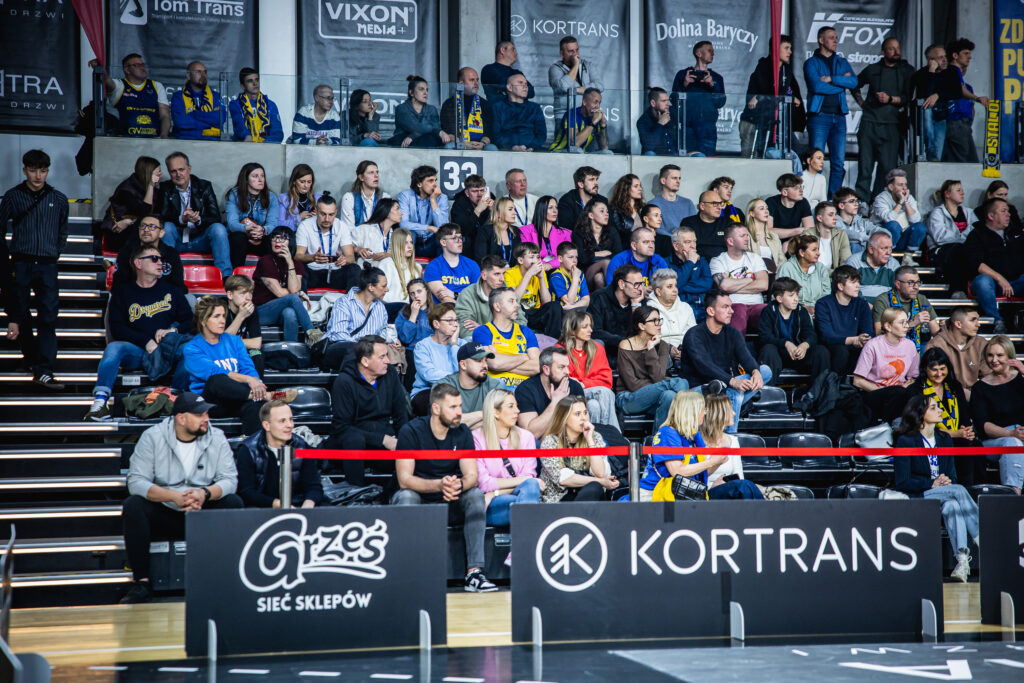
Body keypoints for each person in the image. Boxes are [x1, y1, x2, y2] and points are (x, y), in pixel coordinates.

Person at [120, 392, 243, 603]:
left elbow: (229, 480)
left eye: (207, 414)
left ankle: (227, 579)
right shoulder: (153, 437)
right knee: (133, 506)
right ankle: (142, 582)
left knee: (234, 503)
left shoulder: (217, 437)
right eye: (200, 415)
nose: (206, 419)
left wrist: (204, 494)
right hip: (166, 510)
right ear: (181, 418)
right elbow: (136, 482)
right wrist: (173, 496)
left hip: (201, 510)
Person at [393, 383, 496, 593]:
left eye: (460, 406)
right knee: (406, 497)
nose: (459, 412)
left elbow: (472, 476)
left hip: (451, 497)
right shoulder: (411, 431)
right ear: (436, 408)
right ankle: (408, 571)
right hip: (422, 497)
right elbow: (404, 479)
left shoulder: (462, 432)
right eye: (453, 407)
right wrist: (439, 485)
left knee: (475, 495)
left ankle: (474, 573)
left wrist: (457, 485)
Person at [86, 245, 192, 420]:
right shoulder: (122, 292)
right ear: (138, 263)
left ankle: (174, 399)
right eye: (154, 259)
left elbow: (189, 320)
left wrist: (172, 330)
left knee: (190, 351)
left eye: (161, 259)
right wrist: (145, 341)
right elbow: (117, 328)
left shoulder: (172, 290)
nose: (160, 263)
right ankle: (101, 402)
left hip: (168, 350)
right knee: (113, 348)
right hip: (138, 351)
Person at [893, 394, 979, 582]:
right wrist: (931, 483)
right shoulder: (905, 441)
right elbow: (902, 482)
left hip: (945, 495)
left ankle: (962, 562)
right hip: (918, 495)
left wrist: (946, 481)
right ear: (920, 413)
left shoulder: (944, 438)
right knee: (958, 490)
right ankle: (981, 535)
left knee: (953, 506)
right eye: (933, 407)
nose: (939, 410)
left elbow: (952, 475)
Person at [0, 149, 68, 389]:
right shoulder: (13, 196)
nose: (38, 176)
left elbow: (62, 231)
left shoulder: (59, 199)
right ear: (24, 170)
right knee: (21, 314)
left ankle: (44, 369)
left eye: (43, 171)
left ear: (48, 171)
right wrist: (6, 259)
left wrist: (53, 253)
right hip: (20, 261)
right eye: (33, 170)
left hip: (47, 263)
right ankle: (32, 361)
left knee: (48, 317)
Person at [184, 297, 288, 435]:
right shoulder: (192, 348)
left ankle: (251, 444)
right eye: (216, 316)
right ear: (203, 321)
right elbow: (214, 372)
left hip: (237, 397)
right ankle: (266, 396)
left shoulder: (234, 341)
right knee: (216, 378)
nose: (222, 321)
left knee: (255, 404)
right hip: (210, 402)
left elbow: (248, 368)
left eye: (223, 316)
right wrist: (248, 380)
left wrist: (256, 382)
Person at [680, 291, 773, 433]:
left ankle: (731, 397)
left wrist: (755, 372)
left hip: (725, 386)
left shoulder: (732, 333)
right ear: (711, 311)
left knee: (765, 371)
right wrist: (732, 381)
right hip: (699, 390)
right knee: (734, 391)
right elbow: (705, 366)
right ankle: (730, 438)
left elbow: (746, 358)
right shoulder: (694, 335)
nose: (731, 311)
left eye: (731, 307)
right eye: (725, 307)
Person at [326, 335, 410, 486]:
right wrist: (382, 439)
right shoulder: (344, 381)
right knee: (354, 439)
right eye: (382, 357)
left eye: (387, 355)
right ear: (365, 361)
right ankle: (356, 492)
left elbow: (400, 414)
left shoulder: (390, 373)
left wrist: (404, 442)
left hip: (381, 442)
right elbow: (342, 427)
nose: (388, 361)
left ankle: (394, 495)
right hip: (351, 444)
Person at [852, 39, 914, 202]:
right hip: (869, 122)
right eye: (891, 49)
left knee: (887, 168)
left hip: (892, 124)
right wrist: (862, 103)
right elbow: (854, 84)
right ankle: (861, 202)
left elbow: (907, 97)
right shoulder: (873, 69)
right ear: (883, 52)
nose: (896, 51)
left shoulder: (906, 71)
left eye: (898, 48)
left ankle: (878, 202)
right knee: (865, 166)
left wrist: (890, 99)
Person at [911, 347, 983, 487]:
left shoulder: (954, 386)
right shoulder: (916, 390)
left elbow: (964, 418)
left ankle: (972, 490)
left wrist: (966, 432)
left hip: (958, 436)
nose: (939, 374)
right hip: (929, 438)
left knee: (972, 445)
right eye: (934, 370)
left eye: (942, 369)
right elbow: (918, 425)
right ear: (925, 369)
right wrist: (955, 434)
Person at [472, 389, 542, 532]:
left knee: (529, 488)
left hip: (511, 496)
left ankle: (520, 543)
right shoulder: (476, 437)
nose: (517, 411)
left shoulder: (526, 437)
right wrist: (523, 481)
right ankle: (526, 542)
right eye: (511, 406)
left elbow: (529, 480)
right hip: (492, 505)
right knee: (525, 498)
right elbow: (484, 484)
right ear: (495, 412)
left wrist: (495, 493)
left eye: (516, 406)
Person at [234, 400, 323, 508]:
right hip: (260, 508)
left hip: (297, 506)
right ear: (266, 425)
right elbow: (246, 492)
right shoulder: (248, 449)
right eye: (282, 421)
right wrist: (278, 504)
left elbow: (314, 487)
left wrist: (308, 505)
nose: (290, 425)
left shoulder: (302, 446)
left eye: (291, 419)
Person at [516, 345, 616, 439]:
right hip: (540, 442)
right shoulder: (525, 390)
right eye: (561, 367)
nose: (567, 372)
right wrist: (555, 402)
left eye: (567, 367)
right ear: (546, 370)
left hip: (569, 439)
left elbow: (581, 424)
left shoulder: (574, 386)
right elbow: (530, 434)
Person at [803, 25, 857, 198]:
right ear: (821, 40)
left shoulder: (841, 62)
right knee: (815, 161)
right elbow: (816, 86)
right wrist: (841, 85)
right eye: (831, 37)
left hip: (839, 117)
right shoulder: (811, 63)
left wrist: (832, 79)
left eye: (836, 37)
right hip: (819, 117)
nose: (836, 40)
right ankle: (814, 199)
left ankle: (833, 202)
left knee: (838, 163)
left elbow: (854, 82)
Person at [157, 151, 230, 277]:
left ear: (189, 169)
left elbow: (215, 217)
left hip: (201, 240)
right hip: (177, 240)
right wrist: (182, 219)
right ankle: (166, 276)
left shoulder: (204, 186)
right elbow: (161, 218)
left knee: (218, 229)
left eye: (181, 169)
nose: (178, 174)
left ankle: (225, 278)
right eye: (173, 171)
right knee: (167, 227)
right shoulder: (165, 188)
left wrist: (198, 220)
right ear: (169, 172)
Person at [616, 305, 690, 427]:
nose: (659, 324)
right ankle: (687, 415)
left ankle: (658, 438)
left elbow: (658, 378)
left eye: (659, 320)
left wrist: (650, 349)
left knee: (669, 395)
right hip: (628, 399)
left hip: (655, 398)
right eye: (654, 321)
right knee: (679, 382)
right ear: (641, 326)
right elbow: (632, 384)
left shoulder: (663, 346)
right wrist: (659, 385)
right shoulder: (625, 345)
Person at [970, 336, 1024, 493]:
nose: (994, 360)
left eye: (1000, 355)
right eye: (990, 355)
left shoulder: (1021, 379)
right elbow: (983, 425)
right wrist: (1011, 434)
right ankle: (1013, 494)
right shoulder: (980, 387)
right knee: (1012, 443)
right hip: (995, 441)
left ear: (1009, 355)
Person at [539, 396, 617, 502]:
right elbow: (563, 479)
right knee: (595, 485)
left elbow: (600, 473)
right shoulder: (550, 441)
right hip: (559, 499)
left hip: (588, 494)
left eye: (585, 413)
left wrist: (590, 440)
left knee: (594, 488)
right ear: (564, 418)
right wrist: (600, 481)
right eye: (577, 414)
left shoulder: (595, 437)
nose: (584, 418)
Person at [739, 34, 804, 159]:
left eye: (790, 48)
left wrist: (793, 100)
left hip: (776, 122)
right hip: (754, 122)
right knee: (752, 158)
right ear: (775, 49)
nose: (790, 52)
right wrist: (759, 97)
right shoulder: (763, 67)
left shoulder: (787, 70)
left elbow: (788, 93)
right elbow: (768, 91)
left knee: (789, 152)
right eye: (786, 48)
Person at [252, 226, 320, 344]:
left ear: (290, 242)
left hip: (281, 312)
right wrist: (299, 293)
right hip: (261, 311)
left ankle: (290, 350)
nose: (277, 241)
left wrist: (290, 262)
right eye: (275, 237)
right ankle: (313, 334)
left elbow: (293, 289)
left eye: (283, 238)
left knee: (290, 313)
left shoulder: (297, 264)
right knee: (292, 298)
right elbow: (280, 293)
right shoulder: (265, 261)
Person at [965, 198, 1024, 334]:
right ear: (991, 216)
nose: (1008, 214)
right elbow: (977, 264)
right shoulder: (977, 235)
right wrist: (1000, 278)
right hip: (992, 283)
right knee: (983, 281)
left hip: (1016, 282)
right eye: (1003, 211)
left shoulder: (1016, 233)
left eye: (1008, 211)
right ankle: (997, 321)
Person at [852, 308, 919, 422]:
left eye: (906, 322)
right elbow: (857, 381)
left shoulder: (910, 345)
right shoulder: (872, 345)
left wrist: (908, 385)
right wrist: (885, 390)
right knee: (897, 392)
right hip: (874, 393)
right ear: (888, 326)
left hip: (900, 392)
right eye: (901, 322)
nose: (906, 326)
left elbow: (914, 377)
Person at [757, 277, 829, 382]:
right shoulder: (768, 311)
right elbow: (764, 337)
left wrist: (805, 345)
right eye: (791, 295)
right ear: (779, 299)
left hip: (798, 354)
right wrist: (786, 343)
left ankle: (818, 390)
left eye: (797, 295)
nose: (796, 299)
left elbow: (811, 335)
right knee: (768, 349)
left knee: (821, 351)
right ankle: (768, 389)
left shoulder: (801, 311)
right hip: (778, 355)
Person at [321, 265, 391, 370]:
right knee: (352, 350)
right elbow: (339, 334)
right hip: (340, 347)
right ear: (371, 287)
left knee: (387, 362)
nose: (387, 289)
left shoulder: (380, 307)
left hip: (368, 351)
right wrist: (364, 348)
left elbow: (382, 333)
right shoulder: (344, 303)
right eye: (383, 286)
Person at [559, 310, 617, 430]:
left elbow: (606, 380)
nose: (590, 330)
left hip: (594, 394)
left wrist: (583, 384)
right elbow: (564, 381)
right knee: (605, 393)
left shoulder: (597, 348)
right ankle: (614, 435)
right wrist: (579, 384)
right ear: (572, 330)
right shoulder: (560, 350)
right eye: (585, 327)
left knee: (594, 405)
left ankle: (596, 437)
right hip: (571, 395)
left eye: (590, 326)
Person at [471, 286, 539, 388]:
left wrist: (502, 362)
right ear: (497, 307)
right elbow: (493, 363)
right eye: (511, 301)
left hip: (525, 390)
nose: (517, 305)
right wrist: (524, 357)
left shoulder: (526, 332)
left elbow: (537, 367)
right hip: (497, 389)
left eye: (516, 301)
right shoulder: (483, 331)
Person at [937, 38, 991, 163]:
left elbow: (969, 104)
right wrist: (977, 98)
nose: (969, 57)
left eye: (969, 54)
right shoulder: (952, 70)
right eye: (966, 53)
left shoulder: (956, 73)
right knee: (963, 162)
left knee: (970, 161)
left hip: (962, 124)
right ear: (955, 56)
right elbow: (961, 90)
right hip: (956, 122)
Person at [700, 393, 764, 498]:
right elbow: (692, 479)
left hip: (730, 492)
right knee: (744, 486)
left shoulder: (733, 441)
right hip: (707, 493)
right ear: (719, 413)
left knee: (744, 486)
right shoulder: (697, 441)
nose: (734, 413)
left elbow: (739, 476)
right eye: (730, 410)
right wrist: (712, 486)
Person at [93, 53, 169, 138]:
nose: (142, 67)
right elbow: (107, 79)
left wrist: (164, 134)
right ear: (127, 70)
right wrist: (100, 67)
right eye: (137, 65)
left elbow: (165, 115)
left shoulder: (156, 86)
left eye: (143, 64)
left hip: (153, 140)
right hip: (125, 140)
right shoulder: (119, 85)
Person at [814, 265, 873, 375]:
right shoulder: (823, 304)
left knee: (868, 349)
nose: (858, 286)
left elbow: (868, 331)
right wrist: (853, 339)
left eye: (858, 282)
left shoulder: (862, 304)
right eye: (853, 282)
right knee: (841, 350)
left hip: (856, 346)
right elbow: (827, 336)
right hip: (832, 347)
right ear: (840, 286)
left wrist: (863, 339)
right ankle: (835, 383)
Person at [710, 224, 768, 332]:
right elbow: (724, 286)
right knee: (739, 312)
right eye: (742, 236)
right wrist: (750, 279)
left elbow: (764, 285)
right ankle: (736, 344)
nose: (747, 239)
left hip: (757, 305)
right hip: (734, 305)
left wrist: (732, 286)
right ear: (730, 241)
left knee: (769, 312)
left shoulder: (755, 258)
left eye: (747, 235)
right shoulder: (718, 261)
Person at [672, 40, 726, 156]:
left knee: (708, 159)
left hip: (708, 128)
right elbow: (674, 101)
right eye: (709, 50)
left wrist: (712, 85)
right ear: (698, 53)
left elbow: (720, 102)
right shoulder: (682, 74)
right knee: (686, 159)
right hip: (687, 128)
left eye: (713, 51)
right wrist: (685, 84)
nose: (713, 53)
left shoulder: (716, 78)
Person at [455, 255, 527, 340]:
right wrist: (501, 332)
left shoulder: (511, 294)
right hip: (480, 345)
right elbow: (465, 332)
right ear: (484, 275)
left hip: (509, 344)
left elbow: (522, 325)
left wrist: (482, 328)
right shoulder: (467, 295)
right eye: (497, 274)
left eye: (503, 274)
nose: (502, 279)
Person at [296, 193, 357, 291]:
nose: (327, 219)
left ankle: (351, 300)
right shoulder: (304, 226)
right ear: (316, 211)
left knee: (354, 269)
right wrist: (313, 258)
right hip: (313, 271)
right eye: (323, 214)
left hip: (335, 270)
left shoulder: (342, 226)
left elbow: (351, 257)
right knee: (298, 267)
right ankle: (302, 298)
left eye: (331, 215)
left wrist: (345, 260)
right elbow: (298, 255)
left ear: (336, 212)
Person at [411, 303, 465, 412]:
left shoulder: (462, 344)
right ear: (436, 324)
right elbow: (429, 375)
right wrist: (458, 378)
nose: (455, 324)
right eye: (449, 321)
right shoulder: (423, 346)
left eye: (456, 320)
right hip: (428, 390)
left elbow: (464, 369)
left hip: (458, 390)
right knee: (442, 405)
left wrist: (454, 345)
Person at [437, 342, 504, 431]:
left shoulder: (493, 385)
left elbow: (501, 420)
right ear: (463, 365)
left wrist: (460, 424)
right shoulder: (444, 386)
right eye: (479, 361)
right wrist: (486, 414)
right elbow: (444, 422)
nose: (485, 365)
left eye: (485, 360)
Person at [101, 155, 162, 252]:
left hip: (135, 233)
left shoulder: (152, 190)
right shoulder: (127, 190)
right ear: (149, 174)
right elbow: (144, 214)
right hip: (120, 235)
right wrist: (151, 186)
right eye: (158, 172)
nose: (160, 175)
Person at [927, 180, 976, 298]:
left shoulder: (969, 212)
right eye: (958, 190)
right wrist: (963, 238)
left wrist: (962, 240)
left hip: (963, 248)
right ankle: (957, 291)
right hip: (941, 250)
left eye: (962, 190)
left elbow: (976, 231)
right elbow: (940, 237)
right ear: (947, 194)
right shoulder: (937, 213)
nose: (963, 193)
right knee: (958, 250)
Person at [872, 265, 939, 350]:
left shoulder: (921, 299)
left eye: (918, 282)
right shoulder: (883, 301)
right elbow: (879, 335)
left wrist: (946, 327)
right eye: (911, 283)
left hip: (918, 347)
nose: (916, 287)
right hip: (890, 348)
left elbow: (936, 333)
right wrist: (913, 323)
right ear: (898, 284)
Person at [225, 162, 278, 269]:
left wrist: (263, 230)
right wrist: (247, 228)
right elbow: (232, 224)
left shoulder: (271, 197)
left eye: (262, 176)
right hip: (242, 238)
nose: (260, 179)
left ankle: (271, 275)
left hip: (261, 237)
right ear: (246, 179)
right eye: (255, 176)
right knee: (238, 237)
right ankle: (237, 276)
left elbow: (273, 223)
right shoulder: (235, 194)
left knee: (272, 239)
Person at [925, 307, 990, 394]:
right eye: (972, 320)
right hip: (945, 394)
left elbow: (989, 376)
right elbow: (933, 378)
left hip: (973, 395)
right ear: (958, 324)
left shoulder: (981, 343)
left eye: (978, 320)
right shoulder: (936, 344)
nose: (978, 324)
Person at [113, 216, 185, 292]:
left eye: (152, 227)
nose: (146, 229)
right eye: (143, 226)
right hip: (133, 296)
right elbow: (118, 286)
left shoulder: (172, 254)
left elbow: (178, 287)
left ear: (161, 233)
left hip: (164, 297)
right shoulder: (126, 252)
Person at [505, 242, 563, 338]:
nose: (536, 261)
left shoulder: (540, 273)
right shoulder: (510, 274)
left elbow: (547, 302)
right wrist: (529, 274)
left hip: (535, 312)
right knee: (515, 308)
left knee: (554, 306)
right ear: (520, 260)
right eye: (531, 257)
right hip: (519, 313)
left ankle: (553, 341)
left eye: (537, 257)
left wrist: (541, 278)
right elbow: (514, 299)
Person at [548, 35, 604, 126]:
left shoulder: (587, 65)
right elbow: (563, 87)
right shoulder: (555, 69)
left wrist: (577, 90)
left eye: (577, 50)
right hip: (564, 115)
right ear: (562, 54)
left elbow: (600, 86)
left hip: (586, 113)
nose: (575, 54)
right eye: (571, 51)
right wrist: (576, 65)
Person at [871, 169, 926, 258]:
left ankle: (909, 257)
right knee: (894, 225)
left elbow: (915, 220)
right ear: (891, 187)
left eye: (905, 184)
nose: (904, 188)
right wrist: (900, 202)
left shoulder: (909, 197)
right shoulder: (881, 198)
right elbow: (888, 219)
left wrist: (906, 201)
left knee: (920, 227)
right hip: (882, 239)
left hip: (902, 238)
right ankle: (889, 256)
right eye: (900, 185)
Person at [588, 264, 644, 351]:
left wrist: (635, 306)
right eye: (636, 284)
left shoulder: (639, 299)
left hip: (633, 351)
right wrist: (625, 342)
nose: (640, 289)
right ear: (621, 284)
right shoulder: (599, 297)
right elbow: (595, 332)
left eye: (641, 284)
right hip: (608, 350)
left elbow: (642, 332)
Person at [398, 165, 449, 257]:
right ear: (419, 184)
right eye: (430, 181)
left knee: (444, 238)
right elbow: (403, 224)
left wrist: (433, 201)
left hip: (431, 239)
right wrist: (428, 228)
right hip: (413, 239)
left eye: (435, 180)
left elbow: (443, 228)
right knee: (408, 234)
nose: (435, 184)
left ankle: (441, 266)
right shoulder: (405, 196)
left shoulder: (441, 197)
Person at [440, 67, 497, 151]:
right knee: (449, 146)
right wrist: (464, 143)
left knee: (492, 148)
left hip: (480, 144)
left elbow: (489, 132)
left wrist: (483, 143)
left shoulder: (485, 104)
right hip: (459, 143)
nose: (476, 83)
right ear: (461, 83)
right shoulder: (449, 104)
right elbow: (448, 133)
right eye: (472, 80)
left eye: (477, 80)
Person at [571, 197, 620, 289]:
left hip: (605, 272)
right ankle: (615, 293)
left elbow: (618, 255)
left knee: (599, 278)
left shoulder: (612, 231)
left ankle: (604, 298)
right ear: (591, 215)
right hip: (586, 272)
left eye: (607, 212)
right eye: (602, 211)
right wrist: (599, 254)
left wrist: (591, 255)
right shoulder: (579, 233)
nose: (606, 214)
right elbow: (582, 259)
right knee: (605, 262)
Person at [425, 224, 481, 303]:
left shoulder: (472, 265)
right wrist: (466, 300)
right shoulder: (433, 267)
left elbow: (477, 296)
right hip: (444, 309)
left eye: (460, 237)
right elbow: (444, 299)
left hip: (469, 309)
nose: (460, 241)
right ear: (443, 242)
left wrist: (454, 294)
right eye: (454, 238)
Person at [491, 73, 547, 152]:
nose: (525, 86)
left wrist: (531, 147)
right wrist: (512, 147)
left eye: (526, 84)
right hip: (506, 151)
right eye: (520, 83)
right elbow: (496, 134)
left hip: (532, 151)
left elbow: (541, 134)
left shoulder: (535, 108)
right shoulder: (498, 107)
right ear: (510, 87)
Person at [912, 44, 949, 162]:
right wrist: (931, 71)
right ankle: (930, 151)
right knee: (926, 107)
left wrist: (938, 95)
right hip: (926, 114)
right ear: (930, 60)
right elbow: (925, 94)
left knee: (938, 156)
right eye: (940, 57)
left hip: (942, 115)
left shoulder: (949, 73)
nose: (944, 60)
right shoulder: (920, 74)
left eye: (945, 56)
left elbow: (954, 92)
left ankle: (934, 159)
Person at [667, 226, 713, 321]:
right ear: (676, 246)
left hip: (702, 308)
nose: (693, 246)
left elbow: (708, 284)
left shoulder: (702, 261)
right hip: (678, 310)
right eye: (688, 242)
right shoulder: (666, 263)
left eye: (694, 241)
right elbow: (673, 287)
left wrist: (681, 286)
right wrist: (690, 262)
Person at [648, 268, 696, 355]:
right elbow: (649, 339)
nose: (675, 290)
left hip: (686, 351)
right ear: (658, 291)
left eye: (675, 286)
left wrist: (684, 352)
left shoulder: (686, 308)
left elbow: (694, 336)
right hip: (660, 353)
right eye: (669, 287)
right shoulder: (649, 309)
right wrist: (668, 350)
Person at [170, 61, 223, 140]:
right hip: (185, 141)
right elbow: (180, 122)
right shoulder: (178, 96)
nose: (203, 75)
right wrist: (209, 121)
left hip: (212, 141)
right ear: (188, 76)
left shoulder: (216, 96)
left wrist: (193, 114)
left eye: (205, 72)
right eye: (198, 72)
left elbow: (220, 119)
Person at [223, 274, 263, 377]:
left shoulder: (251, 308)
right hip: (220, 352)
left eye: (250, 293)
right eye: (243, 293)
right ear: (230, 295)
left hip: (239, 349)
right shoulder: (220, 308)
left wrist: (233, 341)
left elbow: (256, 343)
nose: (248, 298)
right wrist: (241, 316)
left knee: (256, 355)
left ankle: (257, 384)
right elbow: (221, 342)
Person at [228, 68, 283, 143]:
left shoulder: (270, 105)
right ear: (242, 86)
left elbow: (278, 133)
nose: (255, 83)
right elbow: (239, 126)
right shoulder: (235, 104)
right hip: (244, 146)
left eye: (257, 80)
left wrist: (265, 143)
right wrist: (247, 137)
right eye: (250, 81)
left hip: (266, 146)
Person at [605, 226, 668, 292]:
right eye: (646, 242)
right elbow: (612, 289)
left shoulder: (658, 261)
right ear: (634, 246)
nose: (651, 246)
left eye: (653, 242)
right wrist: (639, 290)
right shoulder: (619, 260)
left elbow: (667, 285)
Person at [550, 87, 611, 153]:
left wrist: (603, 124)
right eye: (595, 102)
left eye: (599, 103)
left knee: (607, 153)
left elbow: (604, 147)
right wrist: (593, 122)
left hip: (579, 154)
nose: (598, 107)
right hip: (558, 152)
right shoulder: (572, 114)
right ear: (584, 102)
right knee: (578, 151)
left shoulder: (595, 117)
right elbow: (575, 143)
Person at [391, 75, 446, 148]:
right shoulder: (401, 109)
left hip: (426, 143)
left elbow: (436, 128)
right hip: (404, 145)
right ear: (411, 93)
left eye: (427, 90)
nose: (425, 93)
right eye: (421, 89)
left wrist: (413, 135)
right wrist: (438, 131)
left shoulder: (432, 109)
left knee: (429, 139)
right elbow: (415, 128)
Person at [520, 195, 572, 270]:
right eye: (550, 208)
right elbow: (526, 257)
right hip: (535, 270)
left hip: (559, 270)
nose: (555, 211)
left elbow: (569, 256)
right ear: (541, 210)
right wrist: (543, 265)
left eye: (556, 207)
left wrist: (550, 265)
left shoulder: (565, 233)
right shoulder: (526, 231)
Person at [844, 231, 898, 300]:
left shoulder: (893, 264)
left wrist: (883, 306)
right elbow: (850, 291)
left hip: (886, 305)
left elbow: (897, 292)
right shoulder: (854, 262)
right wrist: (866, 305)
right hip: (861, 305)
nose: (888, 253)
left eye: (890, 248)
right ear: (871, 249)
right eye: (884, 248)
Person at [680, 190, 732, 261]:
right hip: (698, 263)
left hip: (723, 263)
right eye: (715, 203)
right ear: (702, 206)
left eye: (720, 203)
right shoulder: (689, 223)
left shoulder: (727, 223)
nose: (719, 207)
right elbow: (685, 250)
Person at [834, 187, 886, 255]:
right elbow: (846, 233)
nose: (856, 204)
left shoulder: (860, 220)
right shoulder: (835, 221)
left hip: (863, 256)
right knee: (854, 245)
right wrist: (871, 238)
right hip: (843, 258)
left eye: (857, 201)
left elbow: (875, 229)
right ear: (841, 206)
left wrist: (885, 236)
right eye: (852, 201)